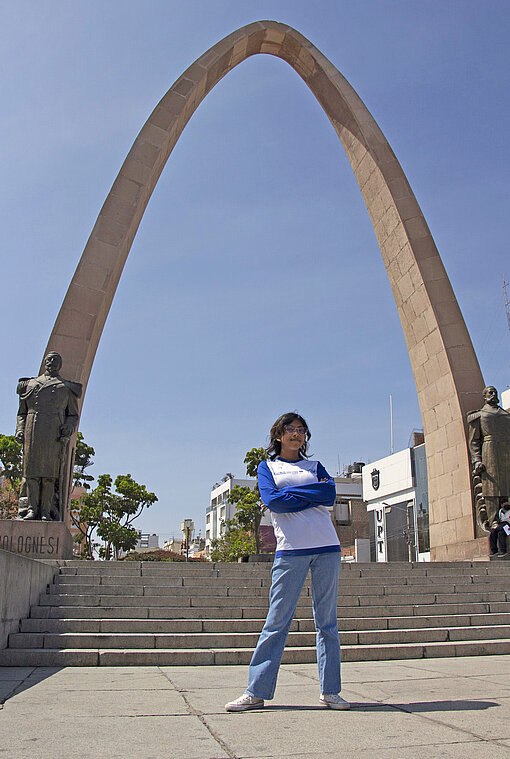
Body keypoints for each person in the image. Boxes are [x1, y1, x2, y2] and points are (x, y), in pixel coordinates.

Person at [225, 412, 349, 712]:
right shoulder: (267, 467)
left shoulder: (315, 466)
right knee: (276, 622)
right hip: (291, 550)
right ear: (278, 435)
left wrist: (292, 493)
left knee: (327, 624)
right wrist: (310, 496)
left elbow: (329, 493)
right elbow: (273, 500)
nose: (296, 434)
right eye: (290, 429)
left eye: (301, 429)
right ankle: (256, 691)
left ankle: (330, 691)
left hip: (327, 547)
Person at [15, 351, 82, 521]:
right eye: (49, 359)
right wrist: (20, 430)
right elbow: (22, 412)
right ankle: (31, 509)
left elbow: (73, 415)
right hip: (33, 431)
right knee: (31, 473)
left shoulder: (65, 387)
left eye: (55, 360)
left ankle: (45, 510)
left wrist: (67, 427)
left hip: (53, 433)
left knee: (49, 475)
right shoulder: (30, 385)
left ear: (60, 365)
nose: (51, 362)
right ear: (45, 362)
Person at [468, 386, 510, 530]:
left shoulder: (505, 415)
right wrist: (477, 460)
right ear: (484, 397)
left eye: (494, 392)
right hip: (489, 450)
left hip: (506, 451)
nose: (493, 394)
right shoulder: (479, 415)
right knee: (491, 488)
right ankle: (493, 520)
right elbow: (473, 441)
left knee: (507, 485)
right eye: (490, 393)